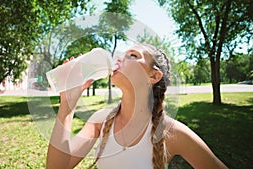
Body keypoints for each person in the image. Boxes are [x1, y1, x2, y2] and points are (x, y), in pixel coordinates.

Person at [46, 44, 227, 169]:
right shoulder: (100, 120)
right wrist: (67, 106)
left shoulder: (172, 132)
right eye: (123, 55)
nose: (119, 59)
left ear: (154, 76)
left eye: (132, 55)